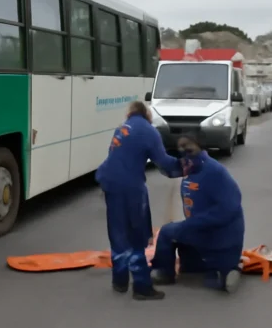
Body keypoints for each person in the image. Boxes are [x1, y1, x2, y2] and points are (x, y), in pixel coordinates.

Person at [95, 101, 184, 300]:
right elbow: (164, 163)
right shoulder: (148, 131)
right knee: (137, 234)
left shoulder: (122, 128)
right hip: (130, 187)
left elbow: (114, 158)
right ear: (147, 115)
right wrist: (184, 166)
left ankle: (119, 281)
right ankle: (142, 286)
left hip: (109, 182)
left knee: (118, 232)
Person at [150, 134, 244, 293]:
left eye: (189, 150)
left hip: (220, 233)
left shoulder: (214, 172)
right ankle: (198, 264)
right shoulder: (191, 167)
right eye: (181, 152)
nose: (185, 156)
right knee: (184, 254)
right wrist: (151, 151)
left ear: (201, 148)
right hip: (201, 230)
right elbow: (169, 167)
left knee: (167, 231)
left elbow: (229, 208)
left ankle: (166, 273)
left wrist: (192, 224)